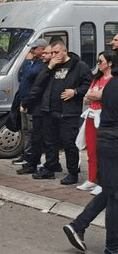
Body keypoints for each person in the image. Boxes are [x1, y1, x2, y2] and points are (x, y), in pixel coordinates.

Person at [63, 74, 118, 254]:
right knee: (115, 194)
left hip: (107, 139)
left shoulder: (111, 83)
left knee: (109, 191)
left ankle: (78, 226)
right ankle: (112, 248)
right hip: (113, 141)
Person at [24, 39, 91, 184]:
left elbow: (88, 84)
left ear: (64, 51)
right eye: (52, 53)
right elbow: (39, 82)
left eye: (57, 52)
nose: (54, 55)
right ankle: (50, 167)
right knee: (49, 142)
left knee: (69, 143)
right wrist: (50, 66)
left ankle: (73, 173)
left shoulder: (79, 66)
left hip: (68, 112)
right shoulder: (51, 66)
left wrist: (75, 92)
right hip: (49, 110)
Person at [77, 50, 114, 195]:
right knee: (91, 150)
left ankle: (103, 182)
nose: (98, 64)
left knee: (103, 151)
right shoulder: (96, 79)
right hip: (91, 116)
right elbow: (86, 98)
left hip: (104, 117)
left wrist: (94, 95)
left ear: (109, 63)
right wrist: (94, 95)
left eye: (101, 61)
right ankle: (92, 179)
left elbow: (101, 95)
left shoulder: (112, 80)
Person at [11, 38, 47, 165]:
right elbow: (23, 75)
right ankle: (26, 154)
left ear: (42, 49)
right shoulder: (33, 62)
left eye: (34, 49)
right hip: (24, 100)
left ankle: (31, 156)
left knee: (32, 131)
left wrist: (27, 61)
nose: (32, 51)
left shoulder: (41, 65)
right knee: (25, 130)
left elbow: (30, 73)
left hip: (33, 102)